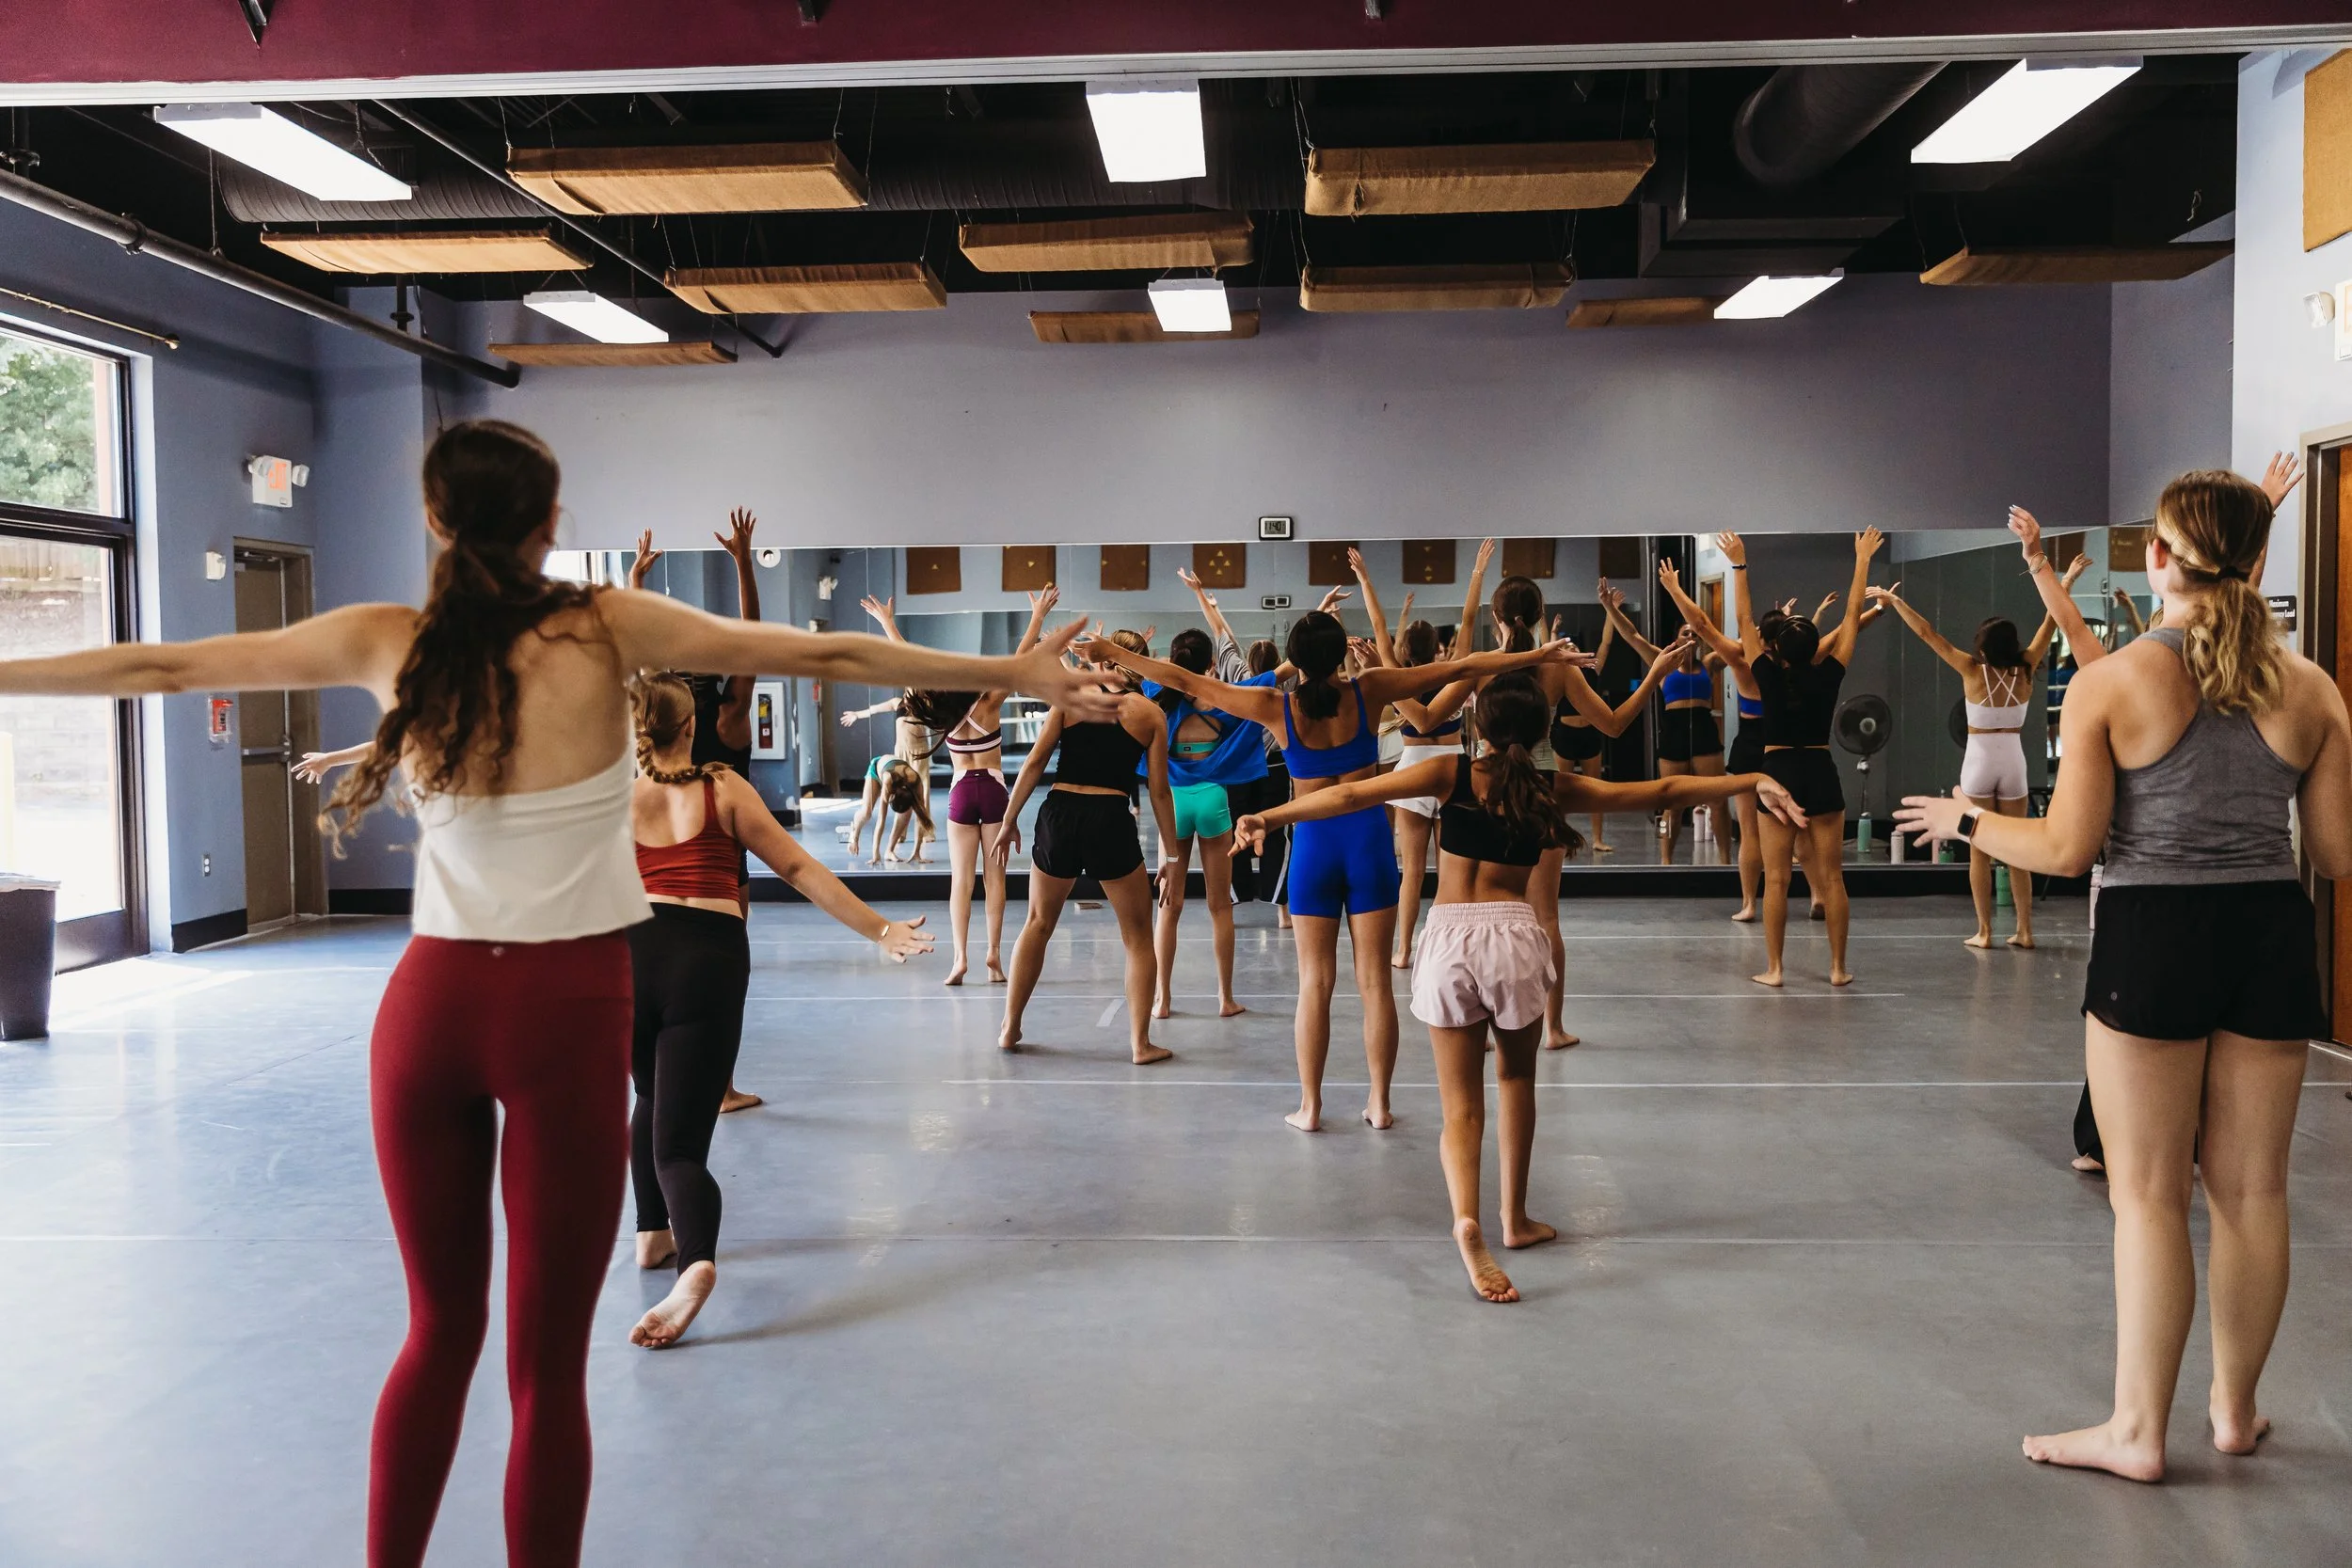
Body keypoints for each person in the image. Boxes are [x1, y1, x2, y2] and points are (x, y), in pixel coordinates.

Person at [0, 419, 1107, 1568]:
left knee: (437, 1333)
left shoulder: (387, 638)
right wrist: (1008, 671)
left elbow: (159, 665)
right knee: (543, 1368)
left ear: (432, 517)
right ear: (550, 523)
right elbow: (820, 653)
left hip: (425, 1013)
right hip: (563, 1015)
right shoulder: (606, 627)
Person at [1898, 467, 2351, 1484]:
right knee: (2253, 1188)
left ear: (2156, 558)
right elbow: (2332, 853)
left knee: (2146, 1194)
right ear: (2254, 562)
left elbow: (2066, 848)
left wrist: (1965, 817)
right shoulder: (2312, 687)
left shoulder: (2114, 683)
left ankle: (2138, 1430)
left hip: (2153, 933)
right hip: (2270, 932)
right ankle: (2233, 1412)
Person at [1233, 673, 1805, 1301]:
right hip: (1512, 938)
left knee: (1460, 1110)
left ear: (1479, 725)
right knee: (1515, 1080)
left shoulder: (1446, 774)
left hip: (1449, 938)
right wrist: (1748, 779)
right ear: (1540, 734)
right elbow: (1662, 789)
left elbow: (1349, 797)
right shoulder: (1551, 787)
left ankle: (1465, 1219)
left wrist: (1270, 813)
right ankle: (1514, 1217)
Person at [1083, 613, 1581, 1131]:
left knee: (1314, 983)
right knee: (1374, 985)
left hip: (1315, 852)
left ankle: (1311, 1106)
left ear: (1295, 658)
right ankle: (1380, 1103)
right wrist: (1536, 655)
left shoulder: (1275, 706)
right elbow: (1464, 665)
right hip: (1367, 844)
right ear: (1339, 651)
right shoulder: (1370, 689)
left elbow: (1183, 680)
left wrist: (1113, 653)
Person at [625, 674, 932, 1349]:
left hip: (628, 958)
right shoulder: (723, 789)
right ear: (691, 728)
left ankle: (652, 1235)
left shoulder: (612, 794)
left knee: (649, 1093)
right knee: (679, 1143)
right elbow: (798, 869)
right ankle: (695, 1259)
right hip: (705, 961)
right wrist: (880, 929)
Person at [1479, 548, 1684, 1048]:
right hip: (1545, 788)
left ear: (1497, 618)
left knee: (1487, 912)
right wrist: (1655, 674)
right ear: (1541, 614)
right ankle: (1551, 1027)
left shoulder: (1481, 666)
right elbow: (1614, 723)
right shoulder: (1559, 669)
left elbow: (1423, 717)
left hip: (1490, 789)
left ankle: (1484, 1025)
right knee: (1545, 915)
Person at [630, 512, 769, 1113]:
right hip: (720, 866)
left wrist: (636, 586)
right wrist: (742, 562)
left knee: (657, 975)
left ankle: (661, 1083)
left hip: (656, 862)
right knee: (720, 978)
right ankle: (721, 1086)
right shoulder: (727, 720)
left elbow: (637, 656)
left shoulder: (655, 728)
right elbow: (752, 638)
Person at [993, 630, 1182, 1065]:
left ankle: (1010, 1026)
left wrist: (1008, 820)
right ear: (1143, 665)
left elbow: (1035, 761)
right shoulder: (1150, 714)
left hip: (1060, 813)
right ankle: (1140, 1044)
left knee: (1038, 923)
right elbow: (1158, 792)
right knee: (1137, 938)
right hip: (1109, 819)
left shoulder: (1072, 698)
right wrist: (1170, 857)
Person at [1867, 574, 2075, 949]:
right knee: (2017, 848)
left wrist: (1897, 604)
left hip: (1979, 759)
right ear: (2012, 644)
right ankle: (2025, 930)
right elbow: (2051, 620)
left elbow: (1929, 634)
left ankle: (1984, 931)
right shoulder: (2025, 668)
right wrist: (2068, 580)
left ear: (1982, 646)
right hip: (2014, 759)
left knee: (1979, 847)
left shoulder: (1971, 669)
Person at [1746, 527, 1882, 988]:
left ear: (1776, 649)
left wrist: (1740, 564)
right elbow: (1850, 616)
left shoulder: (1764, 671)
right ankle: (1839, 968)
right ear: (1813, 649)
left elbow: (1746, 620)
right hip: (1821, 771)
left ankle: (1776, 968)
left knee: (1778, 880)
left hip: (1778, 771)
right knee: (1834, 880)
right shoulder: (1831, 674)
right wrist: (1861, 560)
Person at [930, 584, 1059, 986]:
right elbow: (1020, 661)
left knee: (961, 882)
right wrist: (1037, 615)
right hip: (994, 790)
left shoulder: (944, 710)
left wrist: (888, 626)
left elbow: (908, 666)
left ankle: (959, 958)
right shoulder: (990, 701)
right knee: (995, 879)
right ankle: (993, 957)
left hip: (960, 793)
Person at [1145, 626, 1264, 1020]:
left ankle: (1162, 999)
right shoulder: (1223, 702)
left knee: (1169, 908)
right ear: (1212, 664)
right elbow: (1273, 677)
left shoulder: (1157, 697)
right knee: (1220, 907)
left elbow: (1135, 672)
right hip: (1213, 799)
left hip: (1174, 804)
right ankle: (1225, 997)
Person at [1601, 572, 1727, 863]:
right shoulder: (1663, 662)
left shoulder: (1710, 663)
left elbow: (1741, 647)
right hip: (1674, 729)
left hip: (1704, 728)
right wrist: (1610, 609)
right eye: (1686, 633)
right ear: (1677, 638)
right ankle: (1665, 861)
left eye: (1695, 634)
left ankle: (1724, 861)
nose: (1691, 637)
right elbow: (1632, 636)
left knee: (1717, 801)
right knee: (1670, 804)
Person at [1555, 589, 1620, 854]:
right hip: (1564, 734)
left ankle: (1597, 838)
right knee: (1561, 791)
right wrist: (1553, 632)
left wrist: (1610, 611)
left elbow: (1605, 643)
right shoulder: (1557, 672)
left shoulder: (1591, 669)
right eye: (1567, 648)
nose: (1572, 651)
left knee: (1595, 789)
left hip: (1590, 734)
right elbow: (1548, 651)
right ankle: (1560, 836)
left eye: (1575, 647)